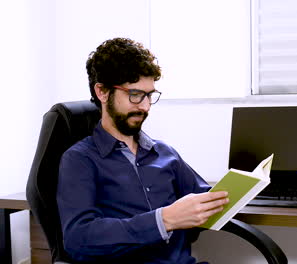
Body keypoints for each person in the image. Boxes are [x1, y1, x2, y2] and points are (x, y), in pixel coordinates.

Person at [56, 37, 229, 264]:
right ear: (102, 91)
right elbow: (79, 239)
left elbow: (205, 198)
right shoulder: (79, 160)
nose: (145, 106)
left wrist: (246, 189)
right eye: (135, 95)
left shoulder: (165, 153)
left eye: (149, 95)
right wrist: (164, 220)